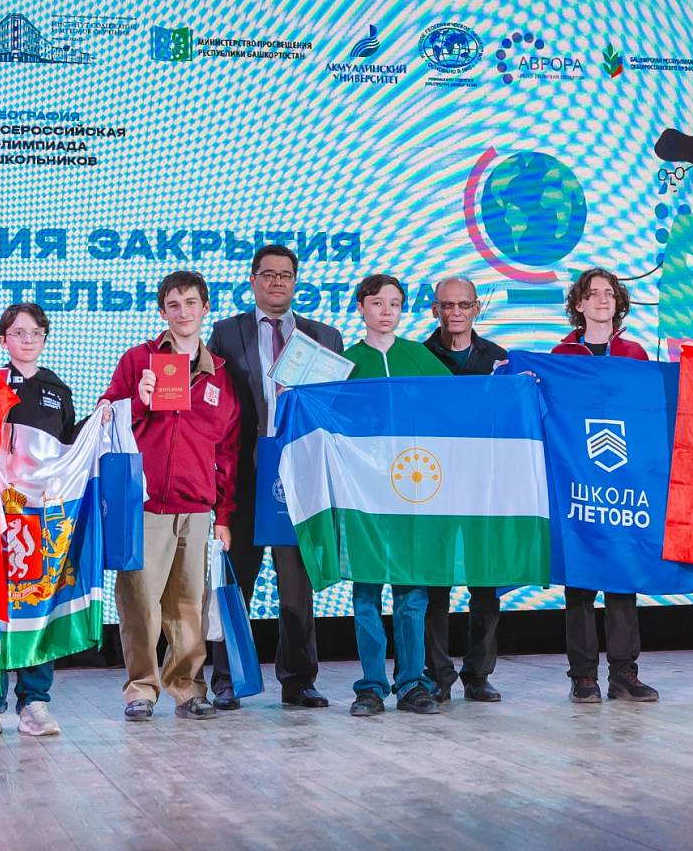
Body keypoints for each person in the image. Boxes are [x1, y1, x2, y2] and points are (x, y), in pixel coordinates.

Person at [205, 244, 342, 710]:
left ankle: (298, 681)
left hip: (301, 478)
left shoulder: (324, 336)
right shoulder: (227, 333)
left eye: (285, 275)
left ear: (295, 281)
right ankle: (227, 679)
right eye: (268, 274)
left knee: (297, 588)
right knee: (236, 582)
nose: (277, 282)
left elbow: (335, 409)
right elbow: (215, 403)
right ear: (253, 280)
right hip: (245, 477)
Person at [100, 271, 242, 722]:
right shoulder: (138, 360)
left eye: (191, 303)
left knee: (189, 606)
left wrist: (224, 513)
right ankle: (140, 689)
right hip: (145, 507)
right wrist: (136, 403)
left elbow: (228, 451)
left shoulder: (222, 375)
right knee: (139, 603)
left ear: (205, 308)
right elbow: (104, 418)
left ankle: (188, 688)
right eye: (174, 305)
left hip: (197, 507)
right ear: (162, 311)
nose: (183, 313)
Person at [341, 273, 450, 716]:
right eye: (377, 303)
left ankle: (411, 683)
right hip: (363, 495)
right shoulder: (345, 363)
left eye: (395, 304)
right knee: (365, 592)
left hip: (412, 492)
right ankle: (370, 686)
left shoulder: (419, 357)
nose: (386, 311)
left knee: (412, 593)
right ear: (361, 308)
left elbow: (458, 403)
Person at [0, 303, 77, 739]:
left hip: (39, 518)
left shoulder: (57, 389)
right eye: (18, 332)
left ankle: (35, 703)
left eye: (35, 333)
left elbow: (69, 449)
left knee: (37, 603)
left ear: (45, 339)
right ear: (3, 340)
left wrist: (104, 422)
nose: (27, 340)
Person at [550, 268, 659, 703]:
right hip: (578, 480)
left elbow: (650, 411)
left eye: (609, 293)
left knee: (621, 578)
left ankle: (624, 673)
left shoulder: (634, 353)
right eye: (592, 294)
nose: (602, 300)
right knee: (579, 583)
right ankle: (583, 676)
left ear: (618, 302)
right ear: (578, 304)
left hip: (623, 481)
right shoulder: (561, 354)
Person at [422, 276, 508, 703]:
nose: (455, 312)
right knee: (433, 584)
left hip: (482, 487)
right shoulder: (417, 358)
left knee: (485, 584)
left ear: (477, 308)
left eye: (463, 305)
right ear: (435, 310)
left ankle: (478, 673)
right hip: (431, 487)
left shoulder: (499, 360)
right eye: (447, 305)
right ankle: (437, 674)